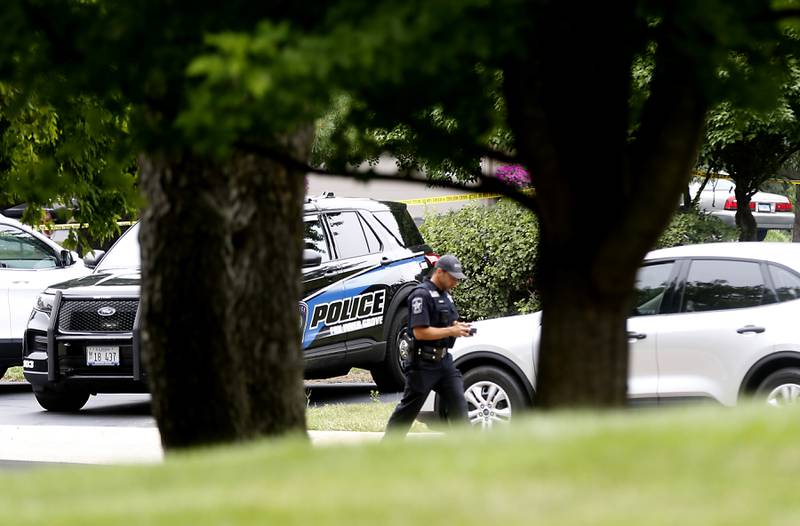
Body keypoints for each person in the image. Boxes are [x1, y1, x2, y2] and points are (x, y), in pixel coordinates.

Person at [384, 254, 473, 436]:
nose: (456, 283)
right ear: (440, 272)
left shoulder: (446, 296)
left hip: (444, 362)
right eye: (453, 278)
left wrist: (459, 327)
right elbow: (420, 332)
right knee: (408, 410)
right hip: (422, 364)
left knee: (458, 404)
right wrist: (451, 331)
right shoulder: (420, 295)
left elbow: (449, 323)